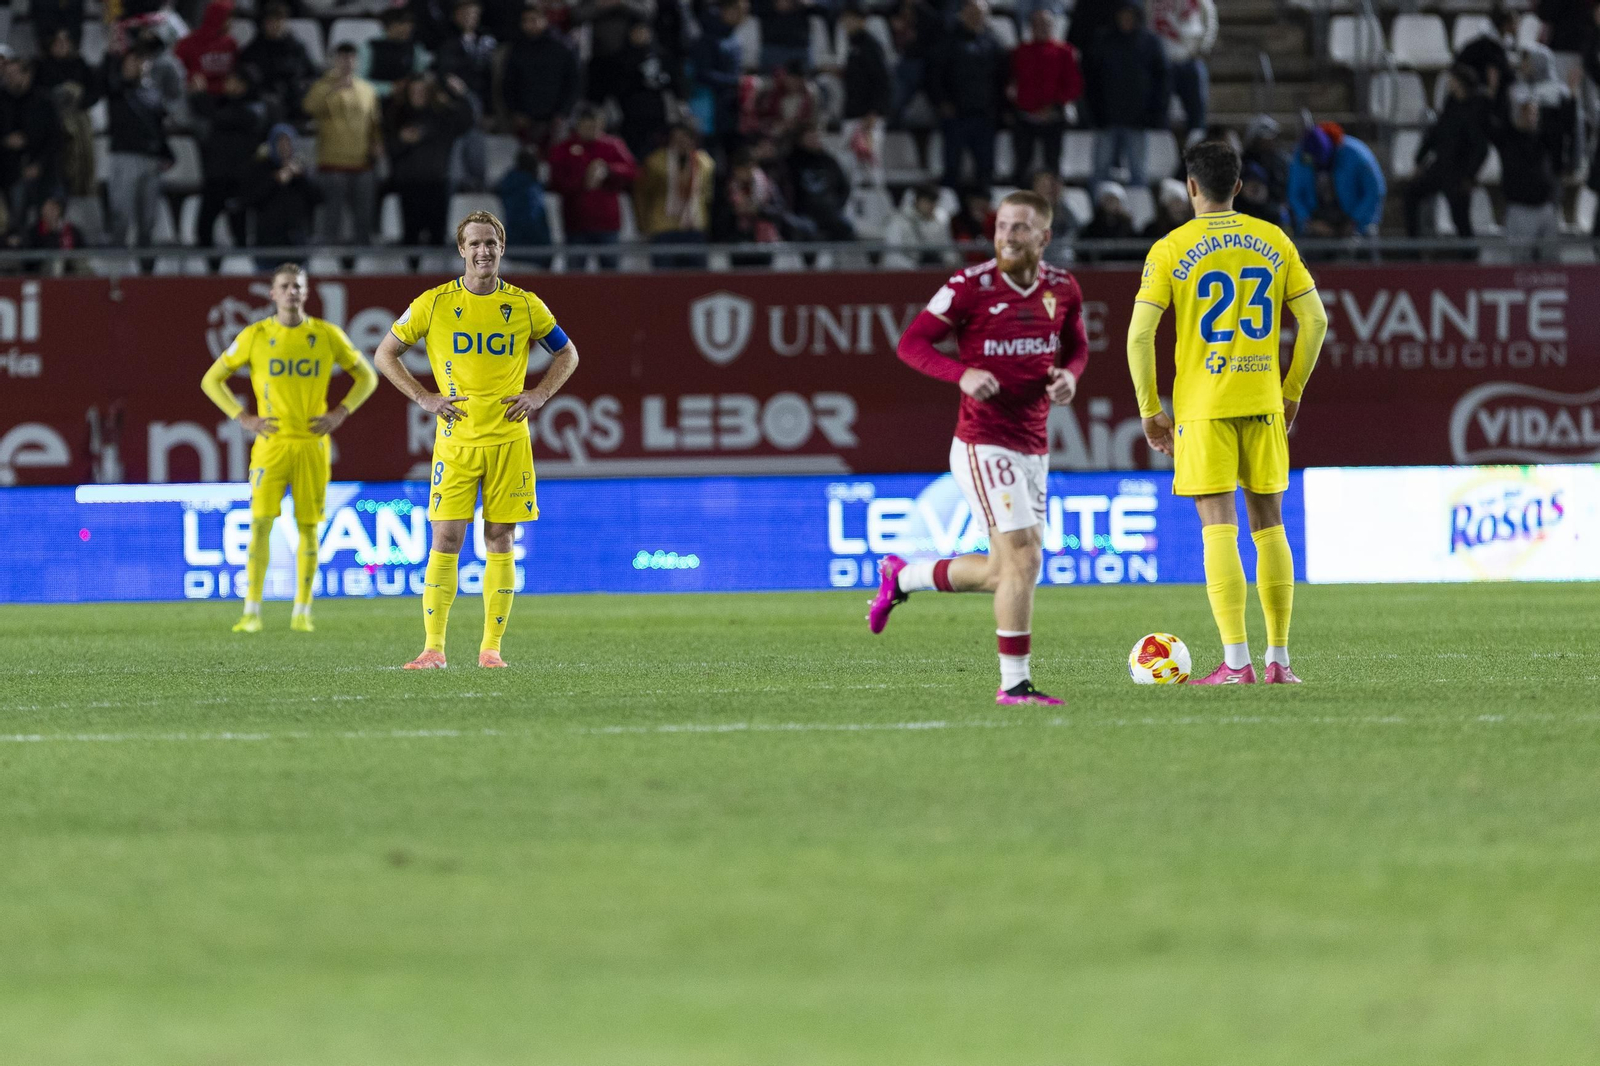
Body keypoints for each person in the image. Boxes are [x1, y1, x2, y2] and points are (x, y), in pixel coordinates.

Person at [878, 188, 1090, 706]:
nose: (1006, 236)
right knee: (1025, 558)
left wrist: (1070, 376)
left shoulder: (1063, 287)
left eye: (1019, 227)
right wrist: (962, 373)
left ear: (1044, 236)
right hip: (983, 441)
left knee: (1004, 570)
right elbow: (911, 343)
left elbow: (1077, 346)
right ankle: (1014, 684)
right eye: (1001, 226)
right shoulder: (968, 286)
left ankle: (902, 575)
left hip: (1033, 442)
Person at [1126, 140, 1328, 684]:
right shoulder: (1273, 240)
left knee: (1219, 526)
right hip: (1263, 402)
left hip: (1204, 408)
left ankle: (1237, 663)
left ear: (1191, 186)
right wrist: (1292, 391)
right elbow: (1316, 322)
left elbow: (1140, 334)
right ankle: (1280, 661)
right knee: (1270, 526)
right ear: (1238, 186)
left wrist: (1150, 410)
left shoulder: (1170, 248)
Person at [372, 210, 581, 670]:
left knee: (500, 538)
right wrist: (424, 396)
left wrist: (541, 393)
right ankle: (433, 649)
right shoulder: (434, 303)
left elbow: (567, 352)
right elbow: (385, 353)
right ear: (461, 250)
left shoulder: (526, 305)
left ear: (501, 248)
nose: (483, 251)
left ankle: (491, 650)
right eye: (475, 243)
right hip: (456, 440)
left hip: (509, 439)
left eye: (491, 242)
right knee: (445, 537)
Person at [200, 263, 378, 635]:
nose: (292, 292)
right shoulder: (256, 335)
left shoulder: (327, 335)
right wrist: (243, 417)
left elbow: (368, 376)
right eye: (285, 286)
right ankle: (251, 611)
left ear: (306, 292)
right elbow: (211, 380)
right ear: (272, 294)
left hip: (312, 444)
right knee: (262, 523)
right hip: (271, 445)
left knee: (309, 528)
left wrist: (341, 412)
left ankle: (302, 611)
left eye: (298, 286)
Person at [304, 43, 382, 246]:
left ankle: (363, 265)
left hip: (362, 162)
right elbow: (308, 108)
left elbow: (374, 124)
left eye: (351, 58)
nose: (347, 62)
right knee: (332, 217)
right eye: (342, 58)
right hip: (332, 162)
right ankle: (328, 262)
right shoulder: (321, 86)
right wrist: (332, 88)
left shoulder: (367, 89)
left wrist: (377, 144)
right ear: (334, 61)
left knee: (364, 217)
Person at [1084, 0, 1168, 189]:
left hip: (1138, 121)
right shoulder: (1102, 41)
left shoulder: (1151, 42)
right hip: (1106, 119)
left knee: (1138, 174)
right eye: (1123, 15)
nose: (1126, 19)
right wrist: (1095, 113)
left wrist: (1155, 114)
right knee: (1100, 171)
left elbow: (1162, 81)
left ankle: (1137, 214)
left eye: (1130, 15)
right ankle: (1099, 215)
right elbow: (1091, 80)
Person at [386, 72, 475, 248]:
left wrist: (462, 94)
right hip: (408, 185)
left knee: (437, 238)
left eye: (422, 91)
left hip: (438, 184)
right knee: (410, 238)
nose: (417, 95)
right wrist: (403, 141)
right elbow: (389, 149)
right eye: (414, 91)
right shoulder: (398, 116)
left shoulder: (443, 116)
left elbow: (467, 121)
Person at [1402, 65, 1490, 239]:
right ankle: (1413, 249)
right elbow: (1436, 133)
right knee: (1411, 194)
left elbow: (1481, 148)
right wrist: (1420, 159)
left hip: (1459, 173)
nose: (1449, 83)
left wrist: (1469, 176)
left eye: (1453, 80)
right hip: (1440, 166)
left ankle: (1468, 260)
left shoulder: (1476, 109)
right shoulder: (1451, 103)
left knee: (1460, 220)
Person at [928, 0, 1008, 189]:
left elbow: (1002, 79)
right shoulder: (947, 41)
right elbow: (933, 76)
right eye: (971, 13)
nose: (976, 18)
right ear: (962, 15)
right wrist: (941, 102)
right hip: (956, 115)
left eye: (980, 14)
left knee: (985, 170)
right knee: (952, 169)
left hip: (984, 116)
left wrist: (1000, 109)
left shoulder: (994, 43)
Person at [104, 36, 172, 256]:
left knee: (148, 217)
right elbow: (105, 82)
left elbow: (158, 126)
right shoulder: (116, 87)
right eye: (133, 60)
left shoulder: (152, 92)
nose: (139, 64)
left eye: (143, 60)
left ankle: (146, 268)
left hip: (150, 158)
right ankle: (117, 263)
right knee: (121, 213)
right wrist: (112, 57)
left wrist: (166, 152)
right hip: (124, 156)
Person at [548, 105, 638, 270]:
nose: (592, 130)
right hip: (576, 224)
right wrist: (583, 180)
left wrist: (609, 170)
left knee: (611, 276)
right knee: (575, 275)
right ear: (578, 125)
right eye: (587, 126)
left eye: (595, 125)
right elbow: (556, 182)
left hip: (607, 224)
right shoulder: (564, 149)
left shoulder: (613, 145)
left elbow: (632, 171)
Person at [190, 68, 267, 252]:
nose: (227, 85)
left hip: (238, 178)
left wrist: (200, 94)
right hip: (216, 176)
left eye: (233, 81)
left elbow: (218, 115)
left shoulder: (254, 108)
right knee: (204, 227)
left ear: (243, 85)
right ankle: (207, 271)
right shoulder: (223, 103)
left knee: (238, 228)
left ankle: (240, 270)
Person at [1008, 8, 1082, 185]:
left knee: (1052, 164)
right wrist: (1025, 108)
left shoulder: (1064, 52)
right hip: (1025, 117)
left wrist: (1054, 106)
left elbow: (1074, 85)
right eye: (1037, 24)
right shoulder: (1019, 52)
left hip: (1054, 118)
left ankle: (1051, 203)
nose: (1042, 28)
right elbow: (1011, 84)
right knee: (1022, 163)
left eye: (1046, 24)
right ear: (1031, 27)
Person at [494, 2, 579, 148]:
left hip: (555, 118)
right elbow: (508, 83)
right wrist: (515, 111)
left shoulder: (562, 47)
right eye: (526, 21)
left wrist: (563, 112)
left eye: (534, 20)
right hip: (525, 119)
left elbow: (573, 82)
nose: (530, 24)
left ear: (545, 20)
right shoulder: (517, 49)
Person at [635, 122, 715, 268]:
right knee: (665, 282)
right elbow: (643, 195)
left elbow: (707, 196)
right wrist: (643, 225)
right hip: (663, 227)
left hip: (694, 227)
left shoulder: (704, 163)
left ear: (693, 140)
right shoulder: (655, 162)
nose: (681, 142)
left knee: (697, 282)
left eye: (685, 138)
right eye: (677, 138)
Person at [1286, 122, 1385, 238]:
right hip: (1317, 219)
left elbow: (1374, 190)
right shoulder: (1301, 157)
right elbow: (1294, 194)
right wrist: (1310, 221)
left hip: (1355, 217)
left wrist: (1355, 221)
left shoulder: (1356, 154)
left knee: (1364, 239)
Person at [1493, 97, 1561, 260]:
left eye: (1534, 113)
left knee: (1550, 262)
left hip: (1545, 207)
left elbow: (1563, 127)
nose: (1530, 117)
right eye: (1526, 112)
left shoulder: (1544, 139)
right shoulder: (1508, 139)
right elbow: (1494, 120)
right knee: (1521, 262)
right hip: (1520, 209)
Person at [245, 123, 320, 264]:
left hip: (296, 240)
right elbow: (250, 199)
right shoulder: (260, 168)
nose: (284, 147)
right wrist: (275, 180)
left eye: (287, 142)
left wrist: (300, 177)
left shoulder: (300, 170)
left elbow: (317, 198)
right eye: (280, 142)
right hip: (267, 242)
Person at [1148, 0, 1215, 140]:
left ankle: (1196, 144)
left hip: (1189, 59)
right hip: (1161, 63)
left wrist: (1203, 48)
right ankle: (1163, 145)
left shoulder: (1200, 2)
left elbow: (1209, 20)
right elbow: (1146, 20)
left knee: (1197, 108)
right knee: (1159, 110)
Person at [239, 3, 316, 122]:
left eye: (279, 21)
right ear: (264, 24)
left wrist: (301, 86)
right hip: (266, 101)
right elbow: (247, 80)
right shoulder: (253, 50)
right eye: (271, 21)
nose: (276, 26)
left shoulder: (297, 48)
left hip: (294, 98)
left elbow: (312, 73)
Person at [496, 145, 553, 266]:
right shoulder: (531, 189)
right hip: (531, 246)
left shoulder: (507, 183)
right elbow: (532, 219)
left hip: (512, 242)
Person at [361, 7, 432, 98]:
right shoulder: (369, 48)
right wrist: (389, 88)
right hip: (375, 99)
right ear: (391, 25)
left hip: (405, 100)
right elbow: (359, 82)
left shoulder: (414, 48)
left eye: (410, 24)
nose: (409, 28)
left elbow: (420, 75)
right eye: (403, 23)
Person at [175, 0, 240, 96]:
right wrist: (189, 78)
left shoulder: (231, 44)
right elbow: (174, 71)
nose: (231, 23)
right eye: (228, 18)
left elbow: (234, 75)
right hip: (192, 95)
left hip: (225, 98)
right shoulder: (189, 43)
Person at [884, 182, 956, 267]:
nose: (931, 206)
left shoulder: (939, 221)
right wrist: (915, 268)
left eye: (933, 202)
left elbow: (948, 250)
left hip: (933, 269)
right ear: (917, 201)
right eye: (927, 202)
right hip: (906, 271)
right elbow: (892, 256)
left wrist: (949, 262)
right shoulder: (898, 221)